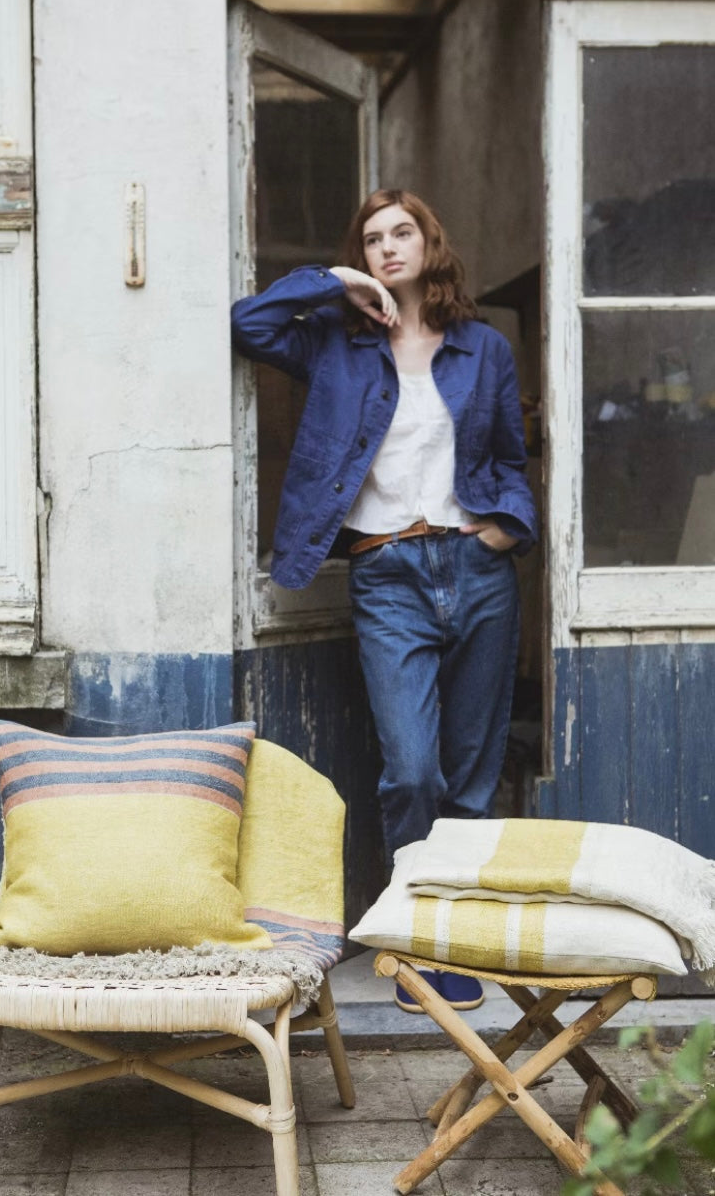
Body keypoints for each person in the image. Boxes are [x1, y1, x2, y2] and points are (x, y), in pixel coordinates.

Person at [231, 189, 537, 1011]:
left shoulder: (482, 348)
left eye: (403, 232)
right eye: (372, 239)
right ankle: (412, 935)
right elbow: (249, 324)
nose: (389, 247)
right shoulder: (337, 342)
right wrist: (334, 282)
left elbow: (510, 457)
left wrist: (505, 530)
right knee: (411, 769)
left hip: (478, 570)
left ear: (430, 243)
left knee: (471, 777)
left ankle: (452, 944)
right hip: (387, 572)